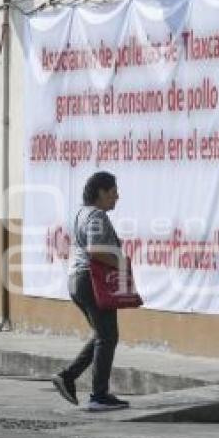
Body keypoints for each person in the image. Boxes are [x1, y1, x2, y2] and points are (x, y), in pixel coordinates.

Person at [52, 171, 130, 412]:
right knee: (108, 336)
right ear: (101, 192)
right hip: (90, 280)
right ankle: (98, 395)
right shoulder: (96, 215)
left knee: (102, 335)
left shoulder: (81, 213)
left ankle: (68, 377)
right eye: (113, 192)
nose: (117, 196)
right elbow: (96, 250)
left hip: (78, 280)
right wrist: (121, 264)